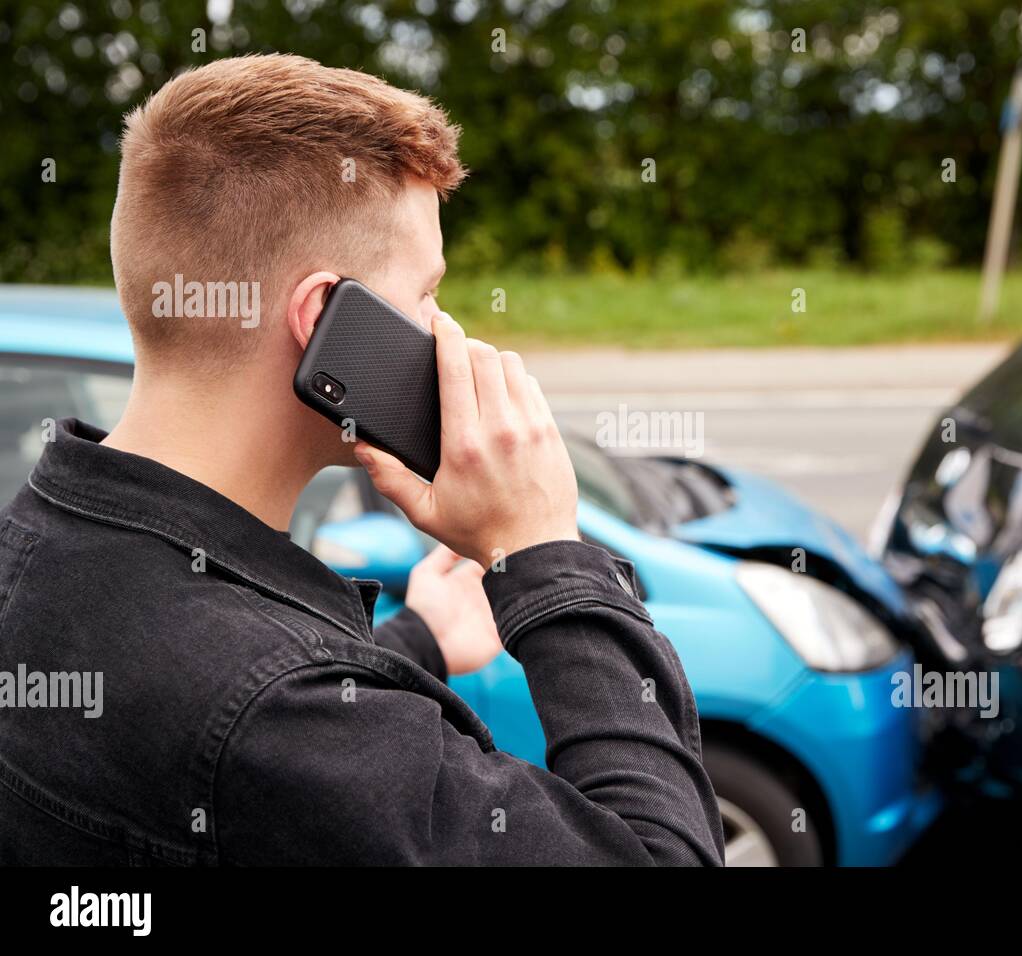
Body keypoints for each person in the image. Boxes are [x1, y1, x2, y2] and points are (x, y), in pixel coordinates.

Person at [0, 54, 723, 865]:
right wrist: (547, 553)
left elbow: (199, 711)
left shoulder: (32, 545)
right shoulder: (280, 712)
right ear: (324, 321)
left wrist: (417, 644)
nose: (441, 328)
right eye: (425, 295)